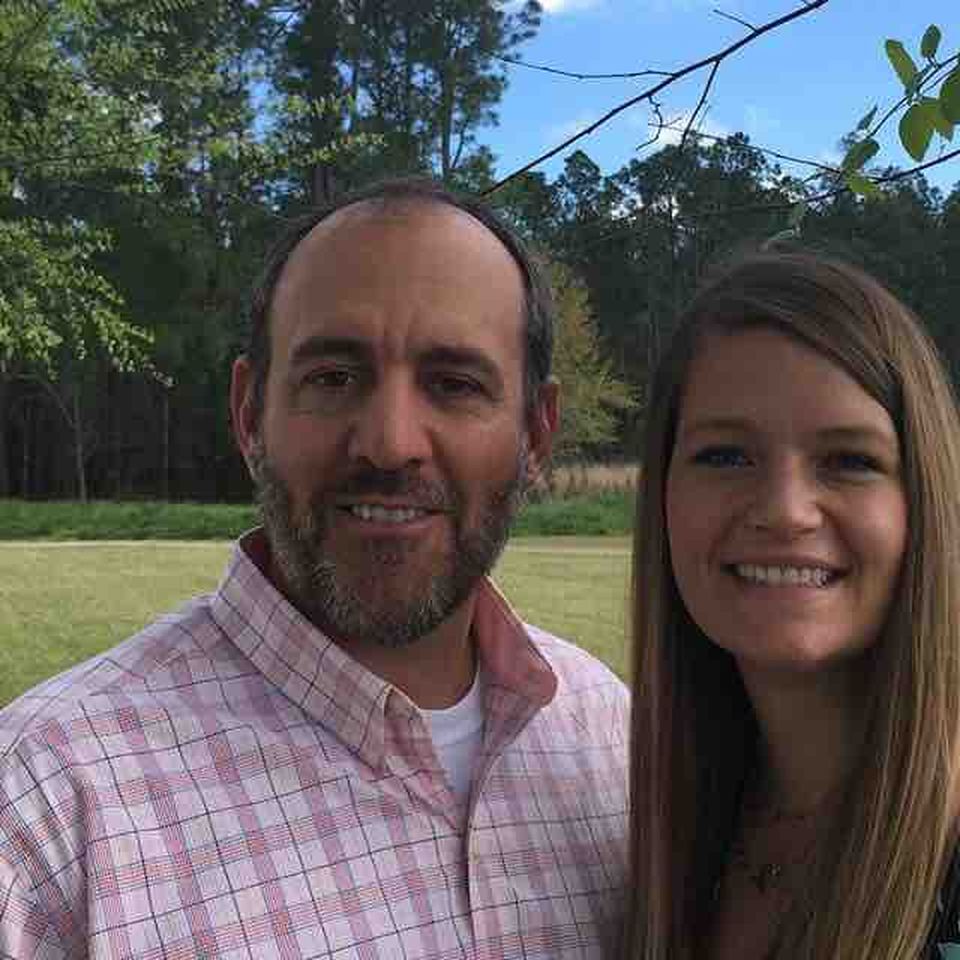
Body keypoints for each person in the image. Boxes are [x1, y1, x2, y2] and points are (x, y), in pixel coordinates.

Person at [0, 178, 630, 959]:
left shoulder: (613, 738)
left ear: (536, 433)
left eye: (454, 385)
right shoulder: (43, 817)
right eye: (333, 378)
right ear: (249, 414)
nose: (390, 443)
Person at [622, 250, 960, 960]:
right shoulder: (679, 827)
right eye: (725, 456)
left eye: (850, 461)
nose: (785, 510)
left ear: (923, 501)